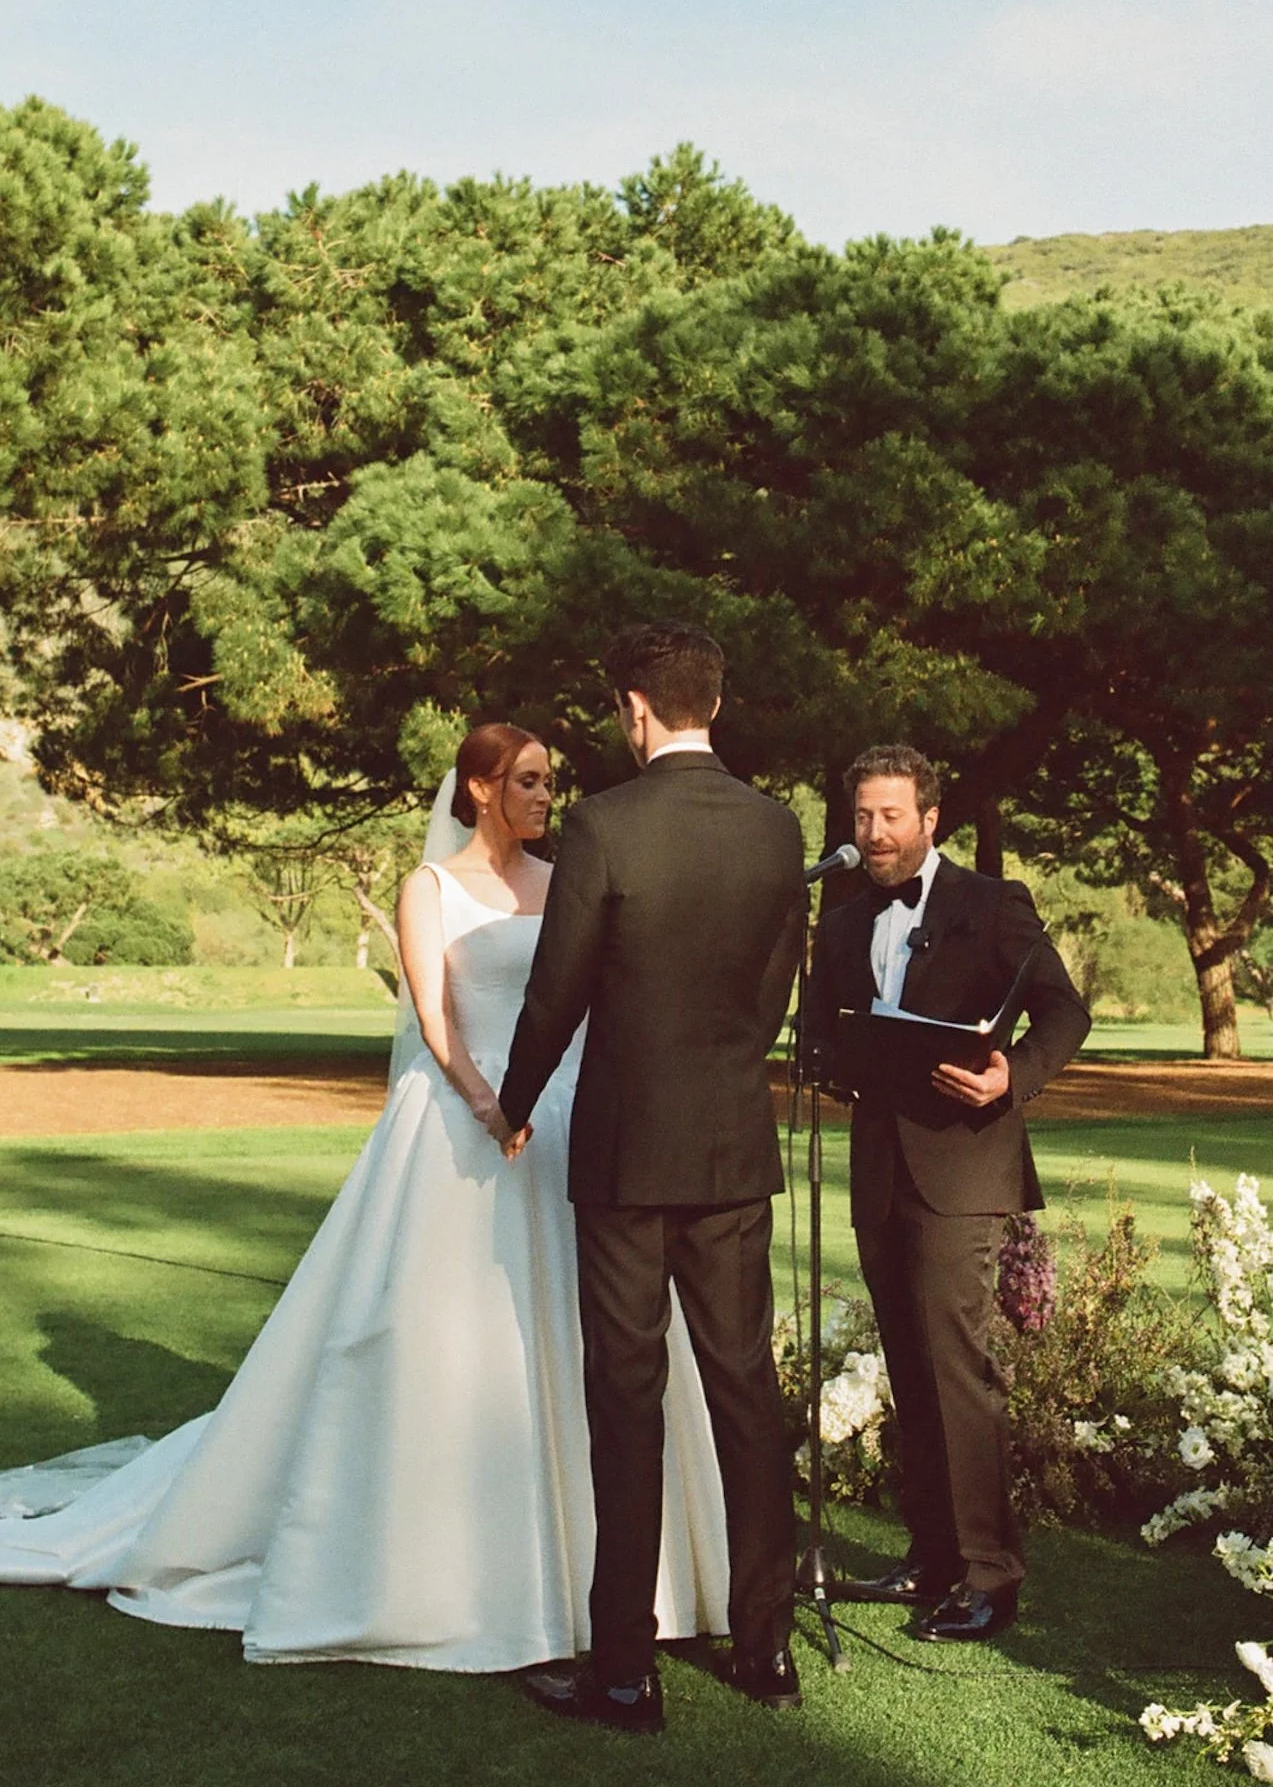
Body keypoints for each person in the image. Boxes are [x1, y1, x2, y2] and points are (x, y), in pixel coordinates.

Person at [0, 723, 731, 1671]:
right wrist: (488, 1104)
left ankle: (615, 1571)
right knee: (437, 1331)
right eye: (530, 781)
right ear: (478, 789)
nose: (550, 796)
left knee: (595, 1331)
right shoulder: (428, 889)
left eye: (551, 781)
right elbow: (433, 1014)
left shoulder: (569, 882)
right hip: (469, 1121)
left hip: (568, 1123)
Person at [498, 621, 806, 1735]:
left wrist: (514, 1102)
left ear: (636, 708)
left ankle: (623, 1672)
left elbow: (555, 991)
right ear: (709, 706)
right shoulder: (778, 829)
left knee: (624, 1403)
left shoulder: (603, 823)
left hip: (626, 1156)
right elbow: (775, 992)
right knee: (746, 1394)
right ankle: (765, 1650)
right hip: (730, 1148)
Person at [806, 743, 1090, 1642]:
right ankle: (930, 1556)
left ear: (930, 819)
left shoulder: (990, 903)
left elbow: (1064, 1009)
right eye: (861, 817)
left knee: (956, 1368)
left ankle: (988, 1575)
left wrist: (1013, 1077)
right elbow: (822, 1029)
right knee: (909, 1366)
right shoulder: (843, 917)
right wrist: (829, 1058)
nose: (874, 832)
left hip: (963, 1167)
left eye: (890, 816)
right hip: (878, 1167)